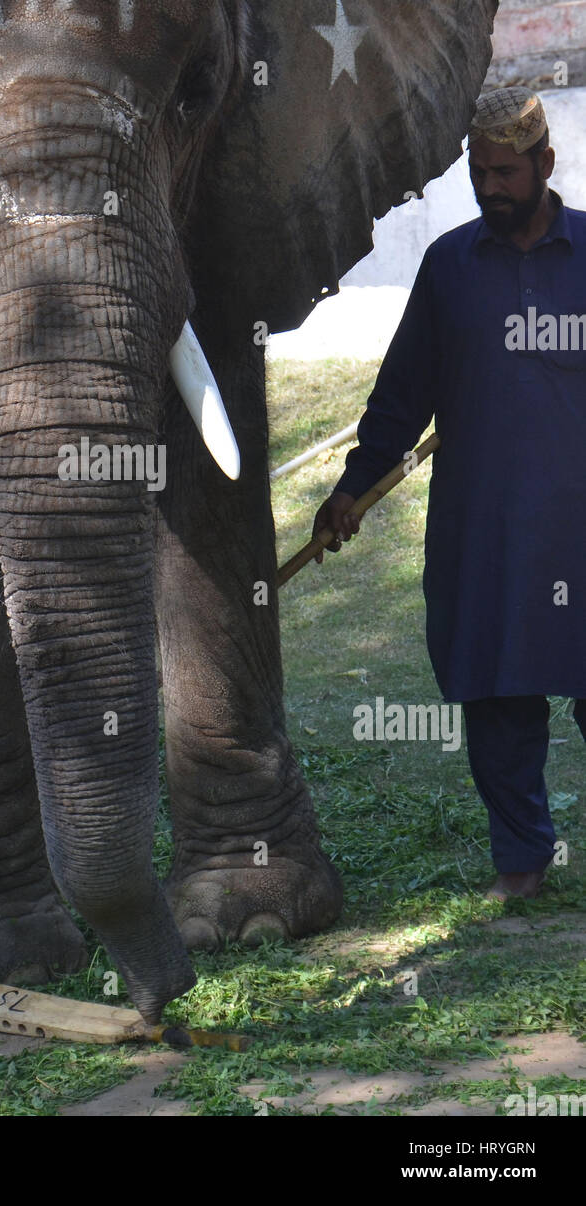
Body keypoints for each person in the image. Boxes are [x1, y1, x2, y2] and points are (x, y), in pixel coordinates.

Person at [313, 89, 586, 901]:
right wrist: (352, 487)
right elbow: (402, 396)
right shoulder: (449, 267)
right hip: (488, 531)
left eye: (505, 171)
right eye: (478, 173)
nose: (490, 187)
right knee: (499, 697)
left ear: (543, 164)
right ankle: (521, 863)